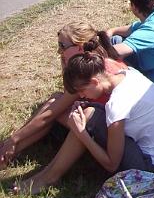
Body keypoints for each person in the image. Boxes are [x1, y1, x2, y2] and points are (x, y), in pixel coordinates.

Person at [14, 51, 154, 194]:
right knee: (89, 113)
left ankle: (48, 177)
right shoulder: (128, 74)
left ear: (95, 81)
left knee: (86, 118)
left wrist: (81, 133)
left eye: (82, 90)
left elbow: (111, 164)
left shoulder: (117, 104)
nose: (81, 95)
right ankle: (46, 175)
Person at [0, 22, 125, 170]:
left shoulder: (87, 72)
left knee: (54, 109)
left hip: (111, 130)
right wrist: (65, 63)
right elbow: (67, 91)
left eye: (63, 47)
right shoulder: (93, 60)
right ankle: (8, 151)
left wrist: (14, 138)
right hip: (105, 120)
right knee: (56, 99)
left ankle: (9, 152)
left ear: (80, 47)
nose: (59, 52)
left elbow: (51, 113)